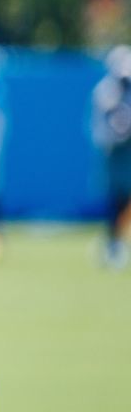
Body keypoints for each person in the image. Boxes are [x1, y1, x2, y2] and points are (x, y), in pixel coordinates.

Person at [93, 44, 131, 268]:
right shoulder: (105, 91)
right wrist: (115, 134)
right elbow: (100, 130)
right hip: (114, 158)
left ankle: (117, 243)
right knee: (113, 201)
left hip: (128, 158)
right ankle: (112, 244)